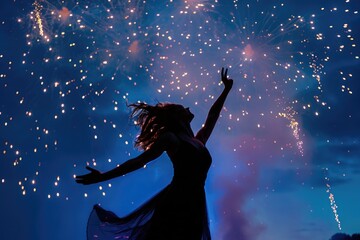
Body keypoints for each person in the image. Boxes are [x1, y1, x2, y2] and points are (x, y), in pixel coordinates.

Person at [76, 68, 233, 240]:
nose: (187, 107)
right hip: (177, 200)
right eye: (182, 108)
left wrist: (226, 90)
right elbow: (139, 161)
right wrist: (103, 176)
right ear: (177, 116)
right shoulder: (171, 139)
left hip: (195, 202)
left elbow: (212, 116)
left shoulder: (198, 140)